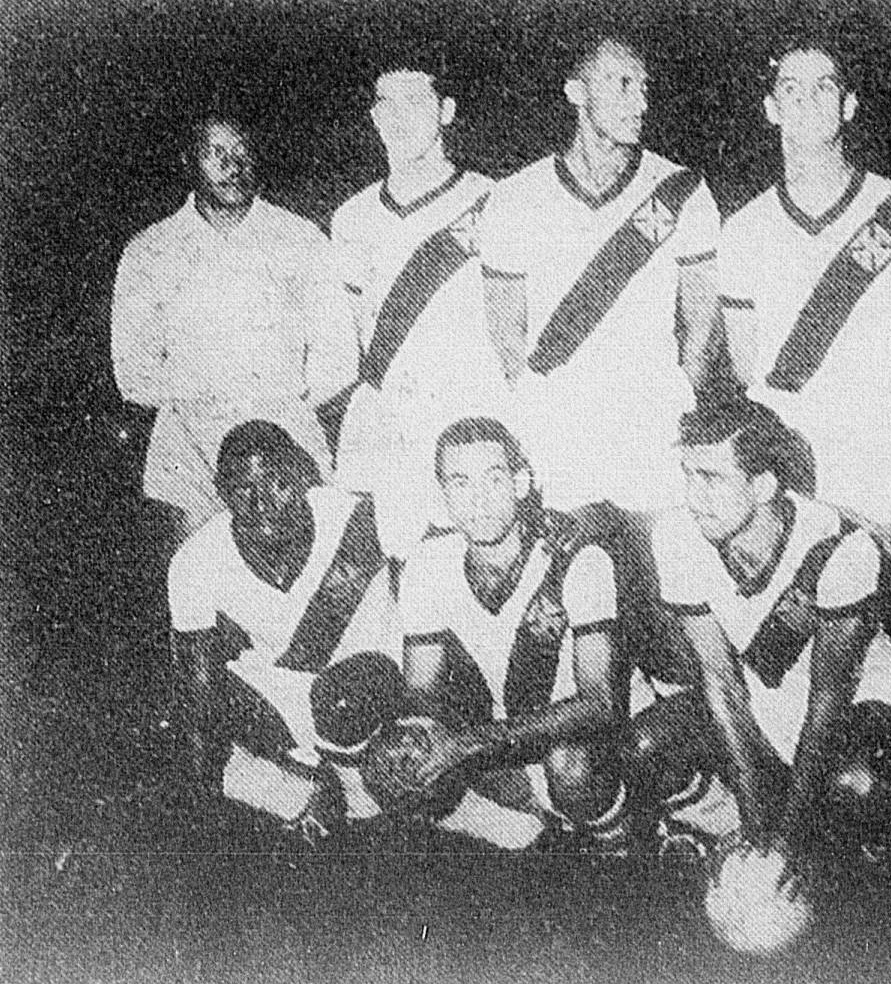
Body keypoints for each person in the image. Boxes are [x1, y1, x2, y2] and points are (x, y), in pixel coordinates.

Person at [646, 397, 891, 868]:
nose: (694, 497)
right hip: (765, 701)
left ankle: (868, 862)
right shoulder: (678, 534)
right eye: (688, 476)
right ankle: (727, 831)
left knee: (853, 781)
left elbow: (827, 700)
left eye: (711, 479)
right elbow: (721, 682)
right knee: (648, 744)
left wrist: (788, 842)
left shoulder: (840, 546)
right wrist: (757, 829)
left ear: (763, 486)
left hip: (861, 701)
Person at [718, 37, 891, 525]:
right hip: (786, 449)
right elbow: (746, 365)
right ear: (771, 109)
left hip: (880, 450)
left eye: (823, 87)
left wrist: (875, 397)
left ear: (848, 105)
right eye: (791, 89)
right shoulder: (744, 227)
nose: (807, 101)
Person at [478, 34, 723, 514]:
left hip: (652, 429)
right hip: (558, 433)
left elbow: (704, 322)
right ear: (576, 91)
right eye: (622, 84)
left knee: (660, 556)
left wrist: (677, 400)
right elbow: (506, 333)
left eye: (644, 88)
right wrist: (538, 409)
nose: (640, 103)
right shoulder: (516, 197)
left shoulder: (681, 192)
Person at [390, 417, 632, 851]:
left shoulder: (577, 558)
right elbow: (422, 690)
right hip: (503, 745)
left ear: (521, 484)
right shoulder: (428, 564)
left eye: (494, 479)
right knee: (392, 759)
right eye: (460, 483)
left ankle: (619, 845)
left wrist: (465, 746)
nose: (478, 499)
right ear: (443, 496)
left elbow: (600, 705)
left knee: (568, 762)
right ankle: (527, 835)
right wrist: (418, 744)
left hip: (589, 748)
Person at [112, 115, 351, 541]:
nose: (232, 165)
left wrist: (278, 401)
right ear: (189, 161)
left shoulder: (300, 239)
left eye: (241, 152)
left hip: (286, 433)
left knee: (307, 561)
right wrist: (203, 398)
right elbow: (133, 372)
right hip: (191, 445)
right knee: (200, 568)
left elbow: (338, 356)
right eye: (216, 153)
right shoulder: (150, 251)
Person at [168, 421, 403, 840]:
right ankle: (309, 783)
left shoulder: (357, 516)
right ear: (221, 492)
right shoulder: (194, 562)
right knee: (196, 702)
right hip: (293, 694)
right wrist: (201, 809)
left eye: (277, 483)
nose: (263, 504)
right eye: (243, 489)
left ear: (301, 474)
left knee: (342, 701)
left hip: (373, 680)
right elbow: (199, 698)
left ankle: (340, 796)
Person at [330, 63, 504, 558]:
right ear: (373, 116)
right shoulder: (352, 218)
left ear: (446, 111)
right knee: (401, 568)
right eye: (387, 104)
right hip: (391, 424)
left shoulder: (493, 201)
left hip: (471, 415)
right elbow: (353, 333)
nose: (399, 117)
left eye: (415, 102)